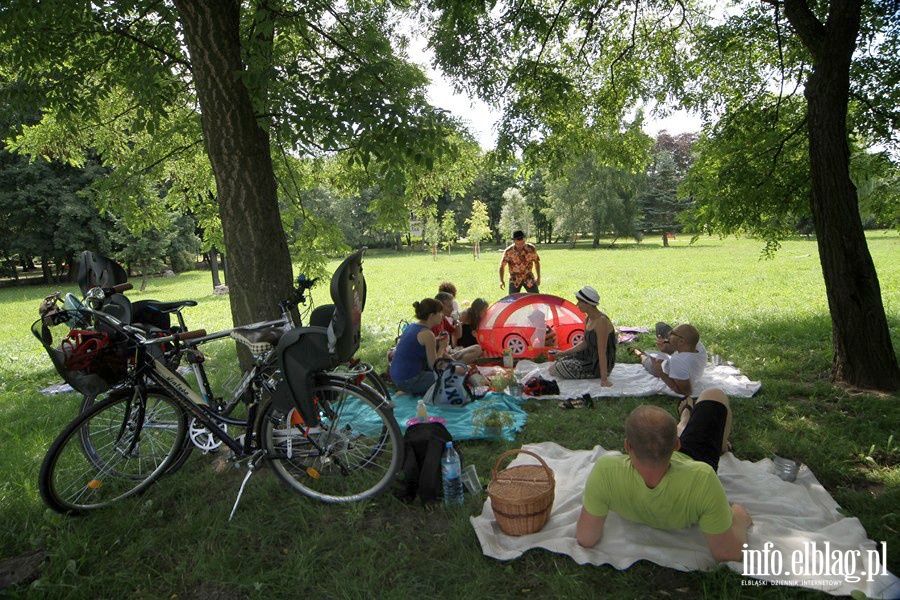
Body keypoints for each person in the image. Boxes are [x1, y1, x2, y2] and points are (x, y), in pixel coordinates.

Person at [575, 389, 750, 563]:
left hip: (676, 453)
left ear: (627, 446)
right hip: (693, 456)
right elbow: (728, 554)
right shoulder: (702, 478)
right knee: (714, 395)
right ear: (676, 445)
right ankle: (698, 431)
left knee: (663, 436)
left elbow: (586, 538)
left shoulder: (606, 471)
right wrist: (740, 517)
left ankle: (684, 421)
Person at [390, 298, 462, 394]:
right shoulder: (428, 334)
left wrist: (436, 340)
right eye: (440, 313)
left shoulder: (412, 326)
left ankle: (409, 390)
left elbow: (416, 344)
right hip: (409, 380)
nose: (442, 315)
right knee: (454, 377)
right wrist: (442, 347)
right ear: (432, 315)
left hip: (396, 376)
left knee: (451, 370)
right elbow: (434, 366)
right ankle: (409, 390)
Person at [550, 286, 616, 386]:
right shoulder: (588, 318)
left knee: (559, 367)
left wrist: (604, 380)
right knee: (555, 364)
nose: (577, 305)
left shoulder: (601, 322)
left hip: (596, 363)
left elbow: (602, 352)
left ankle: (598, 373)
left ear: (588, 304)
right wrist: (562, 353)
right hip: (587, 355)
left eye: (580, 302)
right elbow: (585, 343)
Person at [633, 323, 707, 397]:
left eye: (672, 333)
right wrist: (668, 350)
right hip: (676, 354)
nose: (669, 333)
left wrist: (660, 371)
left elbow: (686, 391)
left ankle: (639, 354)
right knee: (660, 326)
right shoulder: (696, 345)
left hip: (663, 368)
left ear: (681, 342)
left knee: (647, 361)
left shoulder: (678, 361)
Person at [434, 291, 482, 364]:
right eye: (450, 306)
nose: (453, 309)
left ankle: (456, 364)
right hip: (439, 358)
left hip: (448, 354)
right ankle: (456, 366)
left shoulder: (443, 319)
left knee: (477, 348)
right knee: (463, 368)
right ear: (440, 306)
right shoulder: (433, 322)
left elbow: (458, 334)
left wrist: (456, 320)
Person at [499, 230, 540, 295]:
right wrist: (501, 280)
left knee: (536, 298)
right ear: (514, 241)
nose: (520, 246)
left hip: (528, 277)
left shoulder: (531, 248)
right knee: (513, 300)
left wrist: (538, 277)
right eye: (518, 244)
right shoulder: (509, 251)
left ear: (524, 240)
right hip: (514, 279)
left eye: (522, 244)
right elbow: (502, 266)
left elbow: (537, 262)